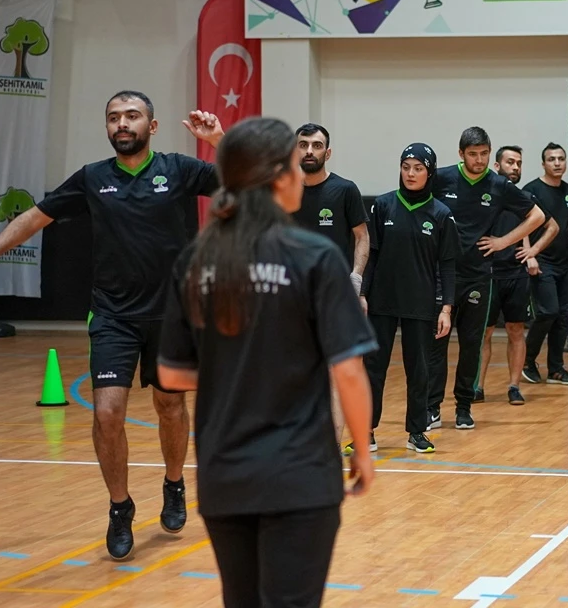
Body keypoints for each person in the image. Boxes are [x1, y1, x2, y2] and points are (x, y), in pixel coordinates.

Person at [0, 92, 221, 560]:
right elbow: (35, 216)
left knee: (169, 405)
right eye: (114, 117)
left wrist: (217, 139)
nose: (122, 124)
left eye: (132, 116)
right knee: (107, 414)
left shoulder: (180, 169)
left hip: (174, 313)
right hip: (113, 315)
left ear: (152, 126)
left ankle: (174, 483)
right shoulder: (93, 178)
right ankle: (120, 507)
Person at [156, 117, 375, 608]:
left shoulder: (196, 260)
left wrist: (232, 367)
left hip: (224, 474)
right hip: (300, 474)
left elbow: (171, 375)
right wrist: (361, 450)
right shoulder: (316, 256)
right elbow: (348, 370)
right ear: (280, 177)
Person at [429, 127, 545, 430]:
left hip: (478, 276)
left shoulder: (499, 185)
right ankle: (431, 408)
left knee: (471, 345)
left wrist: (503, 241)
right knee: (436, 345)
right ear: (461, 154)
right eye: (473, 154)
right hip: (441, 275)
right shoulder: (441, 178)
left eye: (484, 154)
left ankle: (463, 408)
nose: (479, 160)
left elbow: (538, 217)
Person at [358, 143, 458, 454]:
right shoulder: (383, 205)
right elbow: (371, 256)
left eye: (418, 168)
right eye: (406, 167)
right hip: (382, 302)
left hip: (421, 303)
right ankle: (366, 432)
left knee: (419, 371)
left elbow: (448, 264)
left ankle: (417, 431)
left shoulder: (441, 214)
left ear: (430, 172)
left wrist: (446, 308)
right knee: (373, 368)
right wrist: (362, 294)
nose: (411, 173)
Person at [291, 123, 369, 448]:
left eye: (317, 145)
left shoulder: (344, 190)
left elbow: (362, 237)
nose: (310, 151)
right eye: (303, 144)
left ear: (328, 152)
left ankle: (332, 450)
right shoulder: (283, 190)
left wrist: (356, 281)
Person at [479, 146, 558, 405]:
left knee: (515, 330)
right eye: (510, 162)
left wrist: (532, 250)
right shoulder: (483, 195)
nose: (515, 167)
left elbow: (552, 226)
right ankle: (477, 386)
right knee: (484, 332)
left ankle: (514, 386)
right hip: (487, 274)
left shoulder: (524, 198)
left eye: (519, 163)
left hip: (516, 275)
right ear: (497, 166)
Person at [521, 142, 568, 386]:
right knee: (548, 311)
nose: (557, 163)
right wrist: (529, 255)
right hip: (542, 262)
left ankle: (556, 369)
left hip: (564, 263)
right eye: (552, 159)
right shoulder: (532, 190)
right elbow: (522, 224)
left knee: (563, 317)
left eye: (561, 159)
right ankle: (526, 361)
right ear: (543, 164)